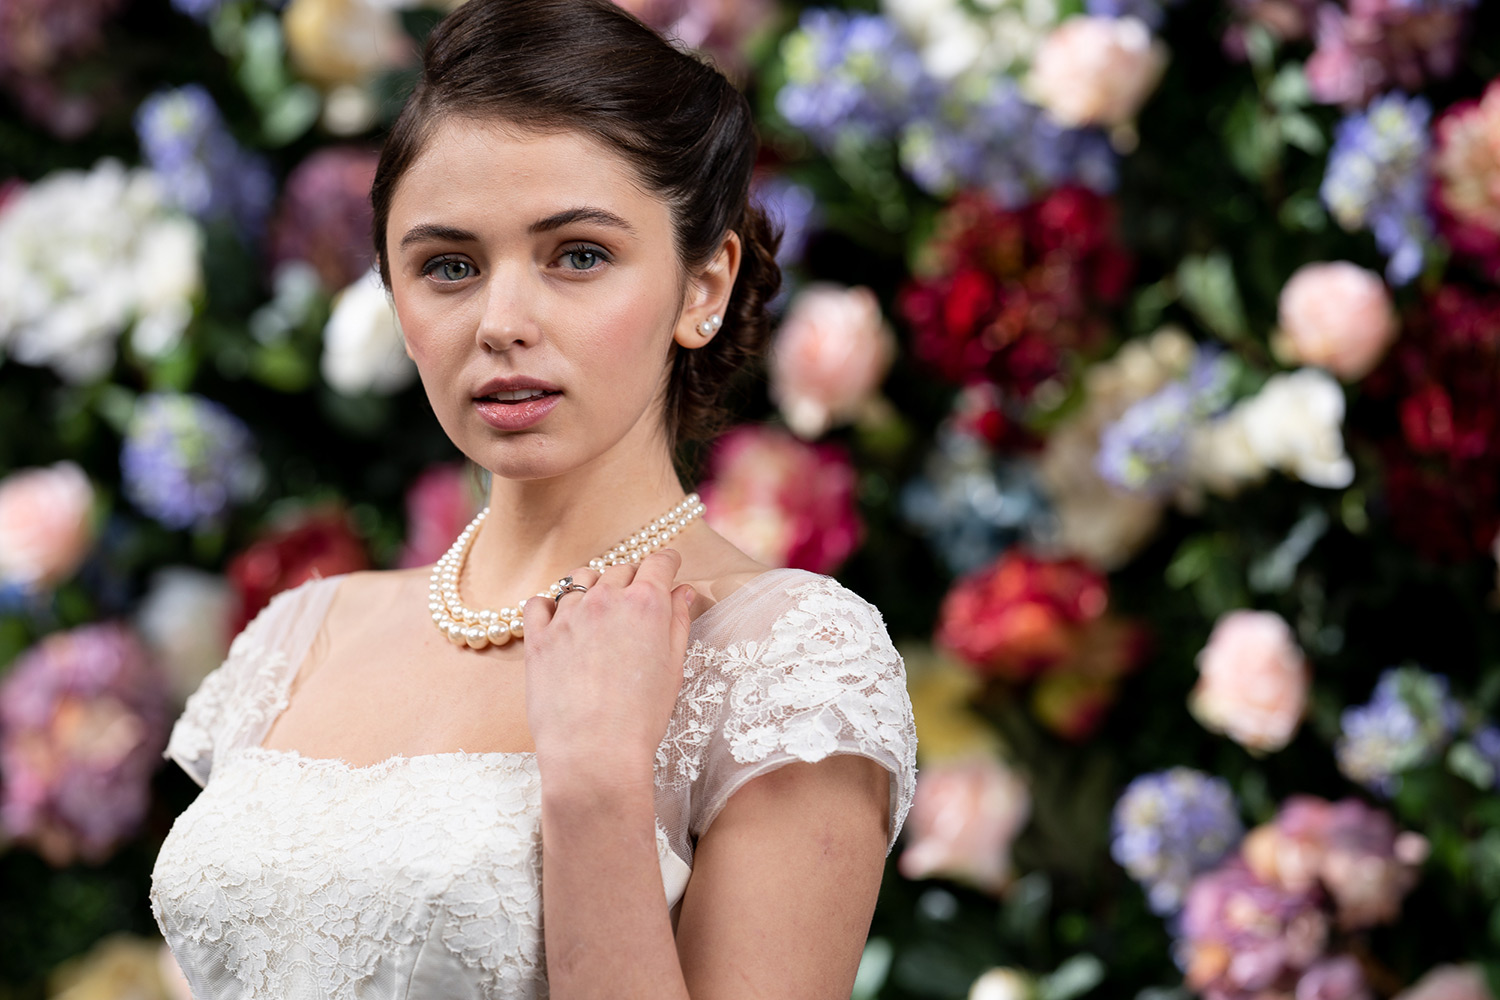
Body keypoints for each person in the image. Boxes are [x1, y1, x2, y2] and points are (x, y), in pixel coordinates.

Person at [148, 0, 916, 996]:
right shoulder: (298, 636)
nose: (502, 322)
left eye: (579, 255)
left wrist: (597, 787)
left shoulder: (786, 660)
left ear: (703, 284)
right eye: (449, 267)